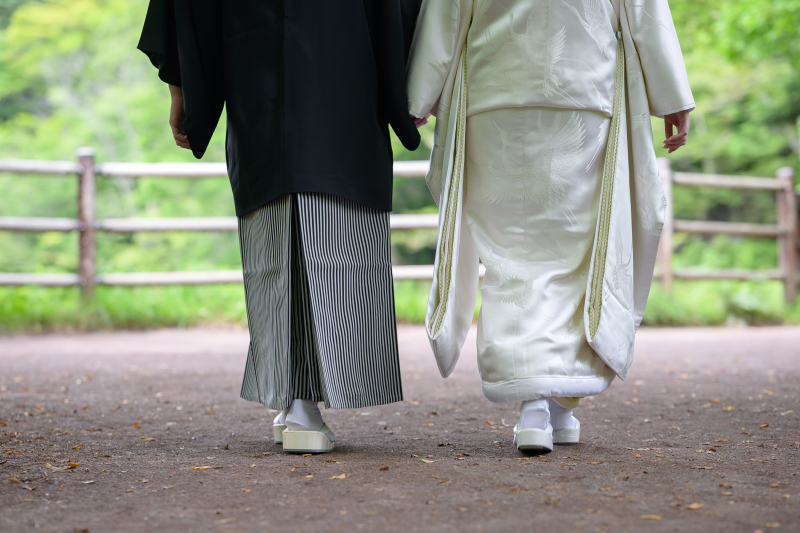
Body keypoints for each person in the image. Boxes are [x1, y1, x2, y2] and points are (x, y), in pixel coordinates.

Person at [406, 0, 692, 452]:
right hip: (582, 86)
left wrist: (420, 91)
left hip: (495, 88)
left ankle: (539, 405)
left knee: (510, 254)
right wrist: (672, 95)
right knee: (577, 255)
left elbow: (448, 10)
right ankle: (557, 404)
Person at [138, 0, 421, 454]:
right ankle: (303, 405)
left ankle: (293, 399)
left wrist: (183, 91)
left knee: (275, 243)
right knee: (333, 241)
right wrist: (412, 90)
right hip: (343, 85)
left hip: (257, 84)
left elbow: (186, 12)